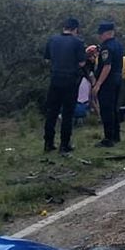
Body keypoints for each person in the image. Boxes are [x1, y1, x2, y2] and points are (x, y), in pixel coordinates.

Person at [43, 18, 87, 154]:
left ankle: (48, 143)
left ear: (64, 27)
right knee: (68, 114)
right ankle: (64, 144)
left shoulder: (52, 40)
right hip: (70, 81)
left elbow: (46, 60)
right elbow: (81, 63)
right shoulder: (78, 42)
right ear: (75, 29)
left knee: (52, 112)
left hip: (55, 80)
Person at [93, 22, 124, 148]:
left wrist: (98, 84)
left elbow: (107, 66)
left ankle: (108, 139)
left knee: (106, 110)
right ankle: (116, 136)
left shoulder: (106, 47)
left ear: (106, 33)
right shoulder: (118, 44)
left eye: (101, 34)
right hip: (118, 79)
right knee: (114, 108)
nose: (99, 37)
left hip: (108, 81)